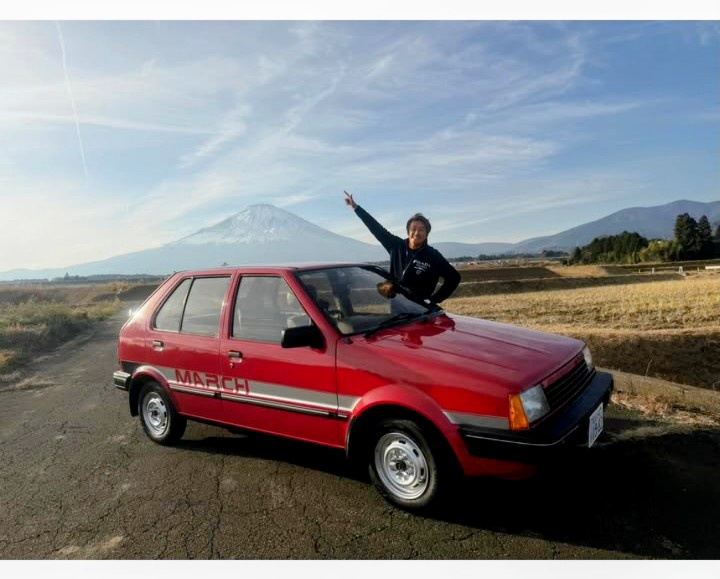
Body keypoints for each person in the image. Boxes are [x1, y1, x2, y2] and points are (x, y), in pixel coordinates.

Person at [344, 190, 460, 304]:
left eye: (421, 229)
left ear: (427, 233)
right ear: (408, 231)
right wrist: (356, 207)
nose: (416, 233)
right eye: (413, 229)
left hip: (420, 310)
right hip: (398, 308)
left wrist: (433, 300)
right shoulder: (396, 246)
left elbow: (454, 278)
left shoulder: (433, 255)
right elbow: (376, 227)